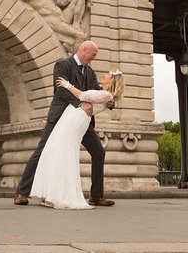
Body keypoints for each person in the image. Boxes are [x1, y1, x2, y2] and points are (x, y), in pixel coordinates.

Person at [14, 40, 116, 207]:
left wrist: (110, 103)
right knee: (41, 152)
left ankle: (96, 196)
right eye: (93, 55)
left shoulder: (90, 71)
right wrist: (80, 103)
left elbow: (96, 92)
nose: (94, 58)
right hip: (60, 117)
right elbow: (60, 90)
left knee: (98, 152)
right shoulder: (62, 65)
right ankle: (21, 193)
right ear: (83, 50)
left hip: (81, 121)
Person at [30, 70, 124, 209]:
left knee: (63, 152)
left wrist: (66, 85)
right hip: (73, 117)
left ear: (111, 81)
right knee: (57, 149)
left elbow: (82, 95)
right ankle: (51, 193)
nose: (104, 76)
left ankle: (55, 195)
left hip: (76, 119)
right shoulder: (106, 95)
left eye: (107, 75)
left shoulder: (106, 95)